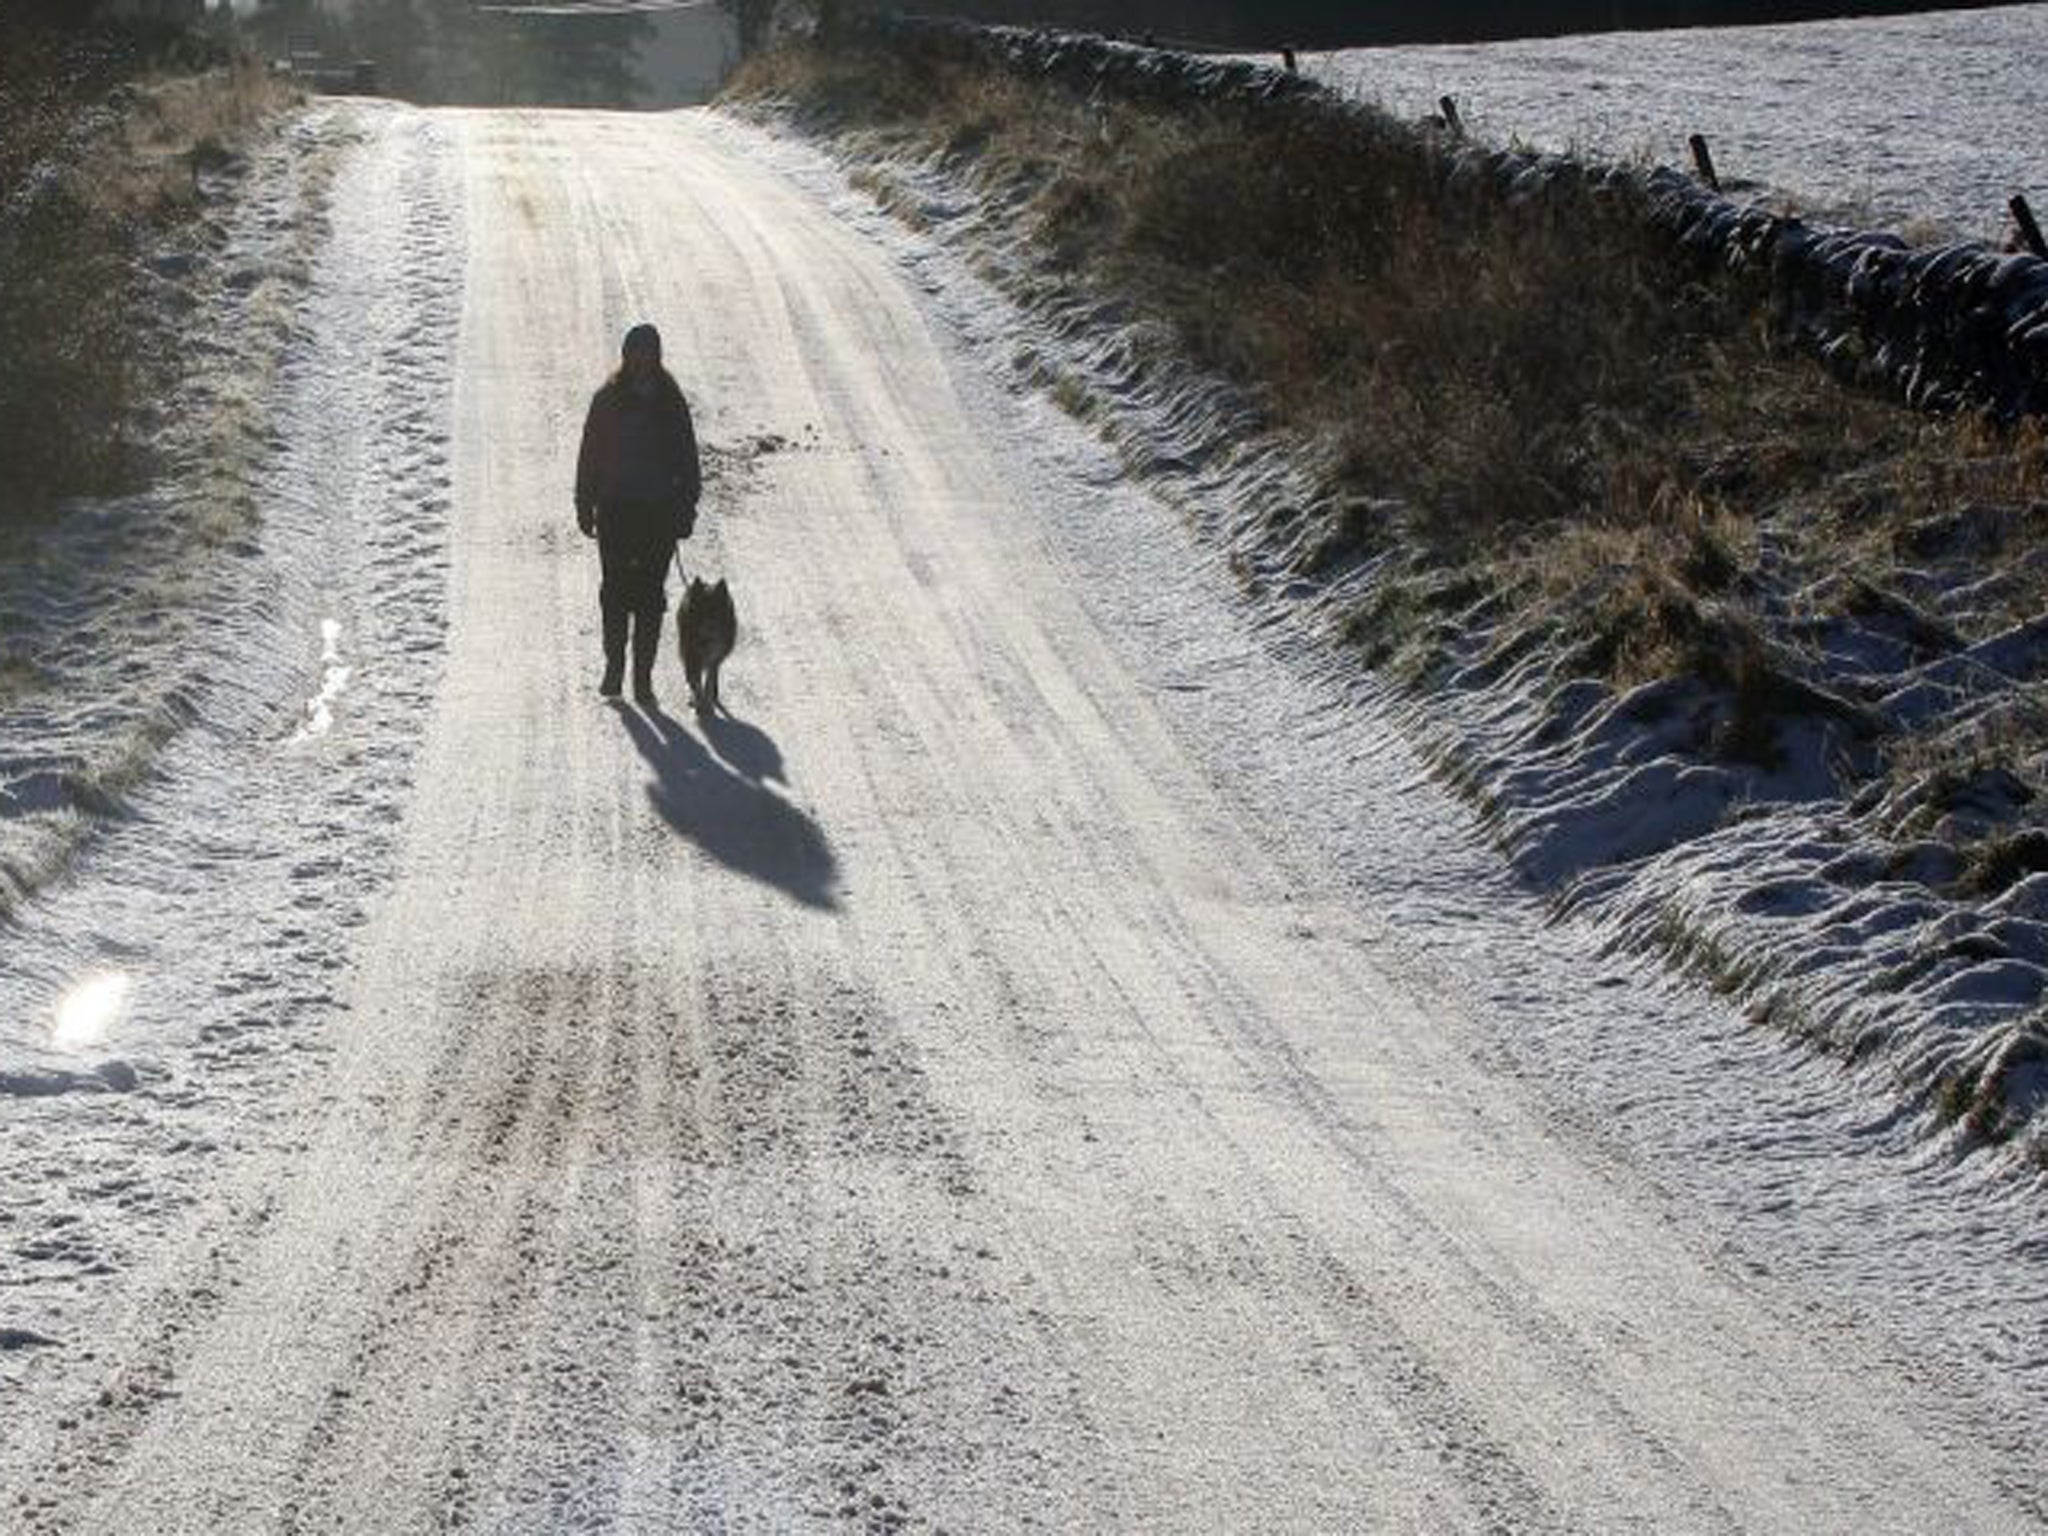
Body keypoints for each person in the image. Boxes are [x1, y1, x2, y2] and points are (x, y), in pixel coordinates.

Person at [575, 323, 702, 704]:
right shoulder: (607, 399)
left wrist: (685, 507)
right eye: (636, 352)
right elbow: (589, 454)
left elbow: (687, 458)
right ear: (626, 354)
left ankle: (642, 677)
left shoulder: (671, 401)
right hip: (615, 509)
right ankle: (614, 667)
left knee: (650, 597)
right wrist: (584, 501)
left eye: (648, 352)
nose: (642, 359)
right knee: (614, 592)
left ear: (657, 356)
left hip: (657, 512)